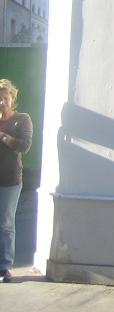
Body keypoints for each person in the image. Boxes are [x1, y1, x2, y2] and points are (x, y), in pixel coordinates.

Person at [0, 79, 32, 283]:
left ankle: (5, 266)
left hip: (10, 179)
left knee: (5, 223)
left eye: (5, 98)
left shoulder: (22, 119)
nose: (2, 102)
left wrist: (4, 137)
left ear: (12, 98)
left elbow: (25, 145)